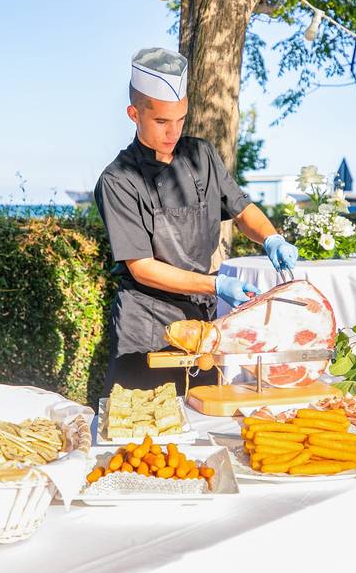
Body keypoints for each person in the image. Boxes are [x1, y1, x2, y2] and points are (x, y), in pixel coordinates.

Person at [94, 47, 298, 393]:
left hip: (203, 325)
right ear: (134, 114)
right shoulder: (118, 180)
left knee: (204, 418)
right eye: (161, 121)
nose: (173, 132)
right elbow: (142, 266)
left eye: (180, 119)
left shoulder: (201, 155)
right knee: (143, 432)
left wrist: (271, 238)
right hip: (147, 323)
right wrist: (215, 284)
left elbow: (242, 209)